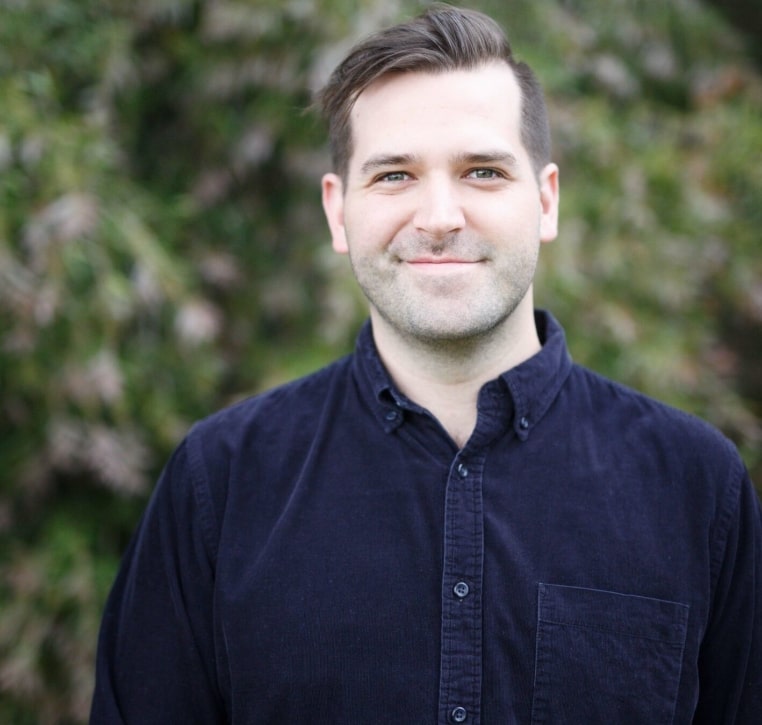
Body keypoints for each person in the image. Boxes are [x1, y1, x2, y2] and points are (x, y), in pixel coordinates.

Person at [91, 5, 761, 723]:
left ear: (546, 200)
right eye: (393, 176)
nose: (439, 215)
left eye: (481, 170)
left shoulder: (697, 486)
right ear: (336, 210)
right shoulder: (217, 487)